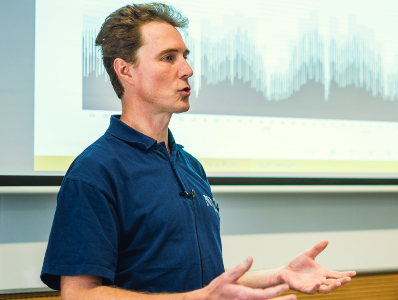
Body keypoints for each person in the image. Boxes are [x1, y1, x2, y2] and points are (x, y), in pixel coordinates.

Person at [40, 3, 355, 300]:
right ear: (126, 71)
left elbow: (207, 287)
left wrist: (280, 274)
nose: (187, 69)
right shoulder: (94, 172)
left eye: (185, 56)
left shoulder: (189, 165)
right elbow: (79, 294)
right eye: (169, 57)